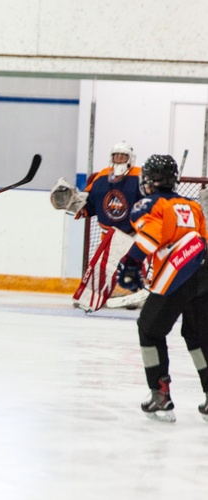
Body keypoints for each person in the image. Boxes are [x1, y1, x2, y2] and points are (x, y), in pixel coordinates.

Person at [115, 154, 208, 423]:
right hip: (203, 272)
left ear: (150, 181)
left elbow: (149, 237)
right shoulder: (193, 205)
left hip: (180, 274)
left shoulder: (149, 204)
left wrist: (130, 264)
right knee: (198, 334)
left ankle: (160, 394)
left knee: (149, 328)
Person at [50, 140, 144, 311]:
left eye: (123, 156)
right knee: (101, 267)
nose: (120, 159)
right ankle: (91, 296)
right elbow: (89, 201)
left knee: (132, 265)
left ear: (130, 158)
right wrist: (71, 201)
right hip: (108, 235)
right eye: (117, 156)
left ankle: (133, 295)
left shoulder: (139, 176)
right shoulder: (102, 177)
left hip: (134, 234)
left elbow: (150, 202)